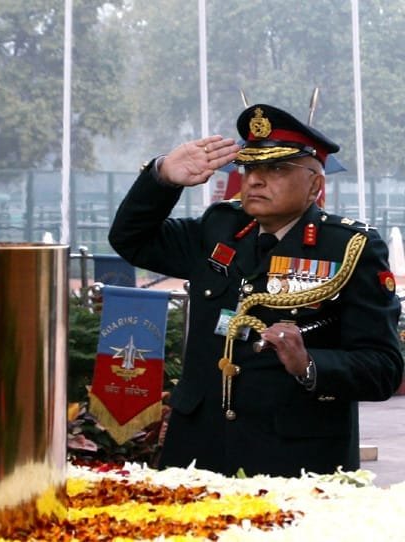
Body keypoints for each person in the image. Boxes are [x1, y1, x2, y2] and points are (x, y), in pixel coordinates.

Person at [108, 103, 404, 477]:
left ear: (315, 184)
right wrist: (161, 176)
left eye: (276, 168)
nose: (254, 180)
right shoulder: (219, 227)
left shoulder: (349, 248)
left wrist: (309, 364)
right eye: (249, 167)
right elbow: (130, 239)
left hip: (294, 460)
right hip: (199, 449)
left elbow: (384, 368)